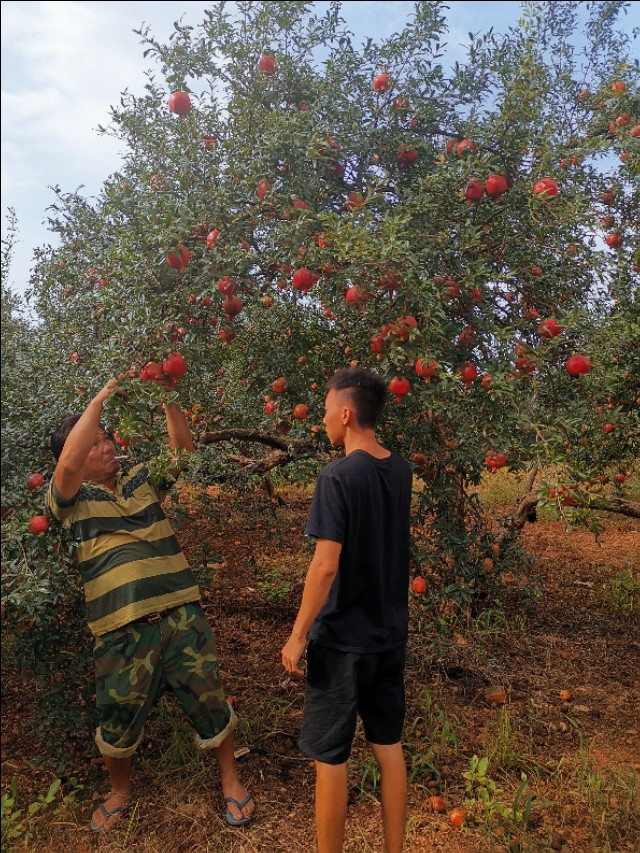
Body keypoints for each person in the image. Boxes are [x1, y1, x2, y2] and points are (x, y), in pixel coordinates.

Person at [47, 376, 254, 832]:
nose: (107, 445)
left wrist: (168, 395)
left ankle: (231, 781)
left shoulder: (140, 478)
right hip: (120, 629)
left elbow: (183, 455)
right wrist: (99, 398)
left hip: (181, 614)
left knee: (210, 699)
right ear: (79, 454)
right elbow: (64, 468)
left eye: (108, 439)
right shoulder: (72, 499)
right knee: (117, 716)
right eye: (96, 441)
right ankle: (120, 789)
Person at [281, 367, 412, 853]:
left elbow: (325, 565)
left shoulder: (337, 475)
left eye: (326, 410)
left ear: (347, 412)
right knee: (388, 746)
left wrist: (298, 634)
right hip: (389, 635)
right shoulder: (400, 469)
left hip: (341, 642)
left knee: (331, 757)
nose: (323, 420)